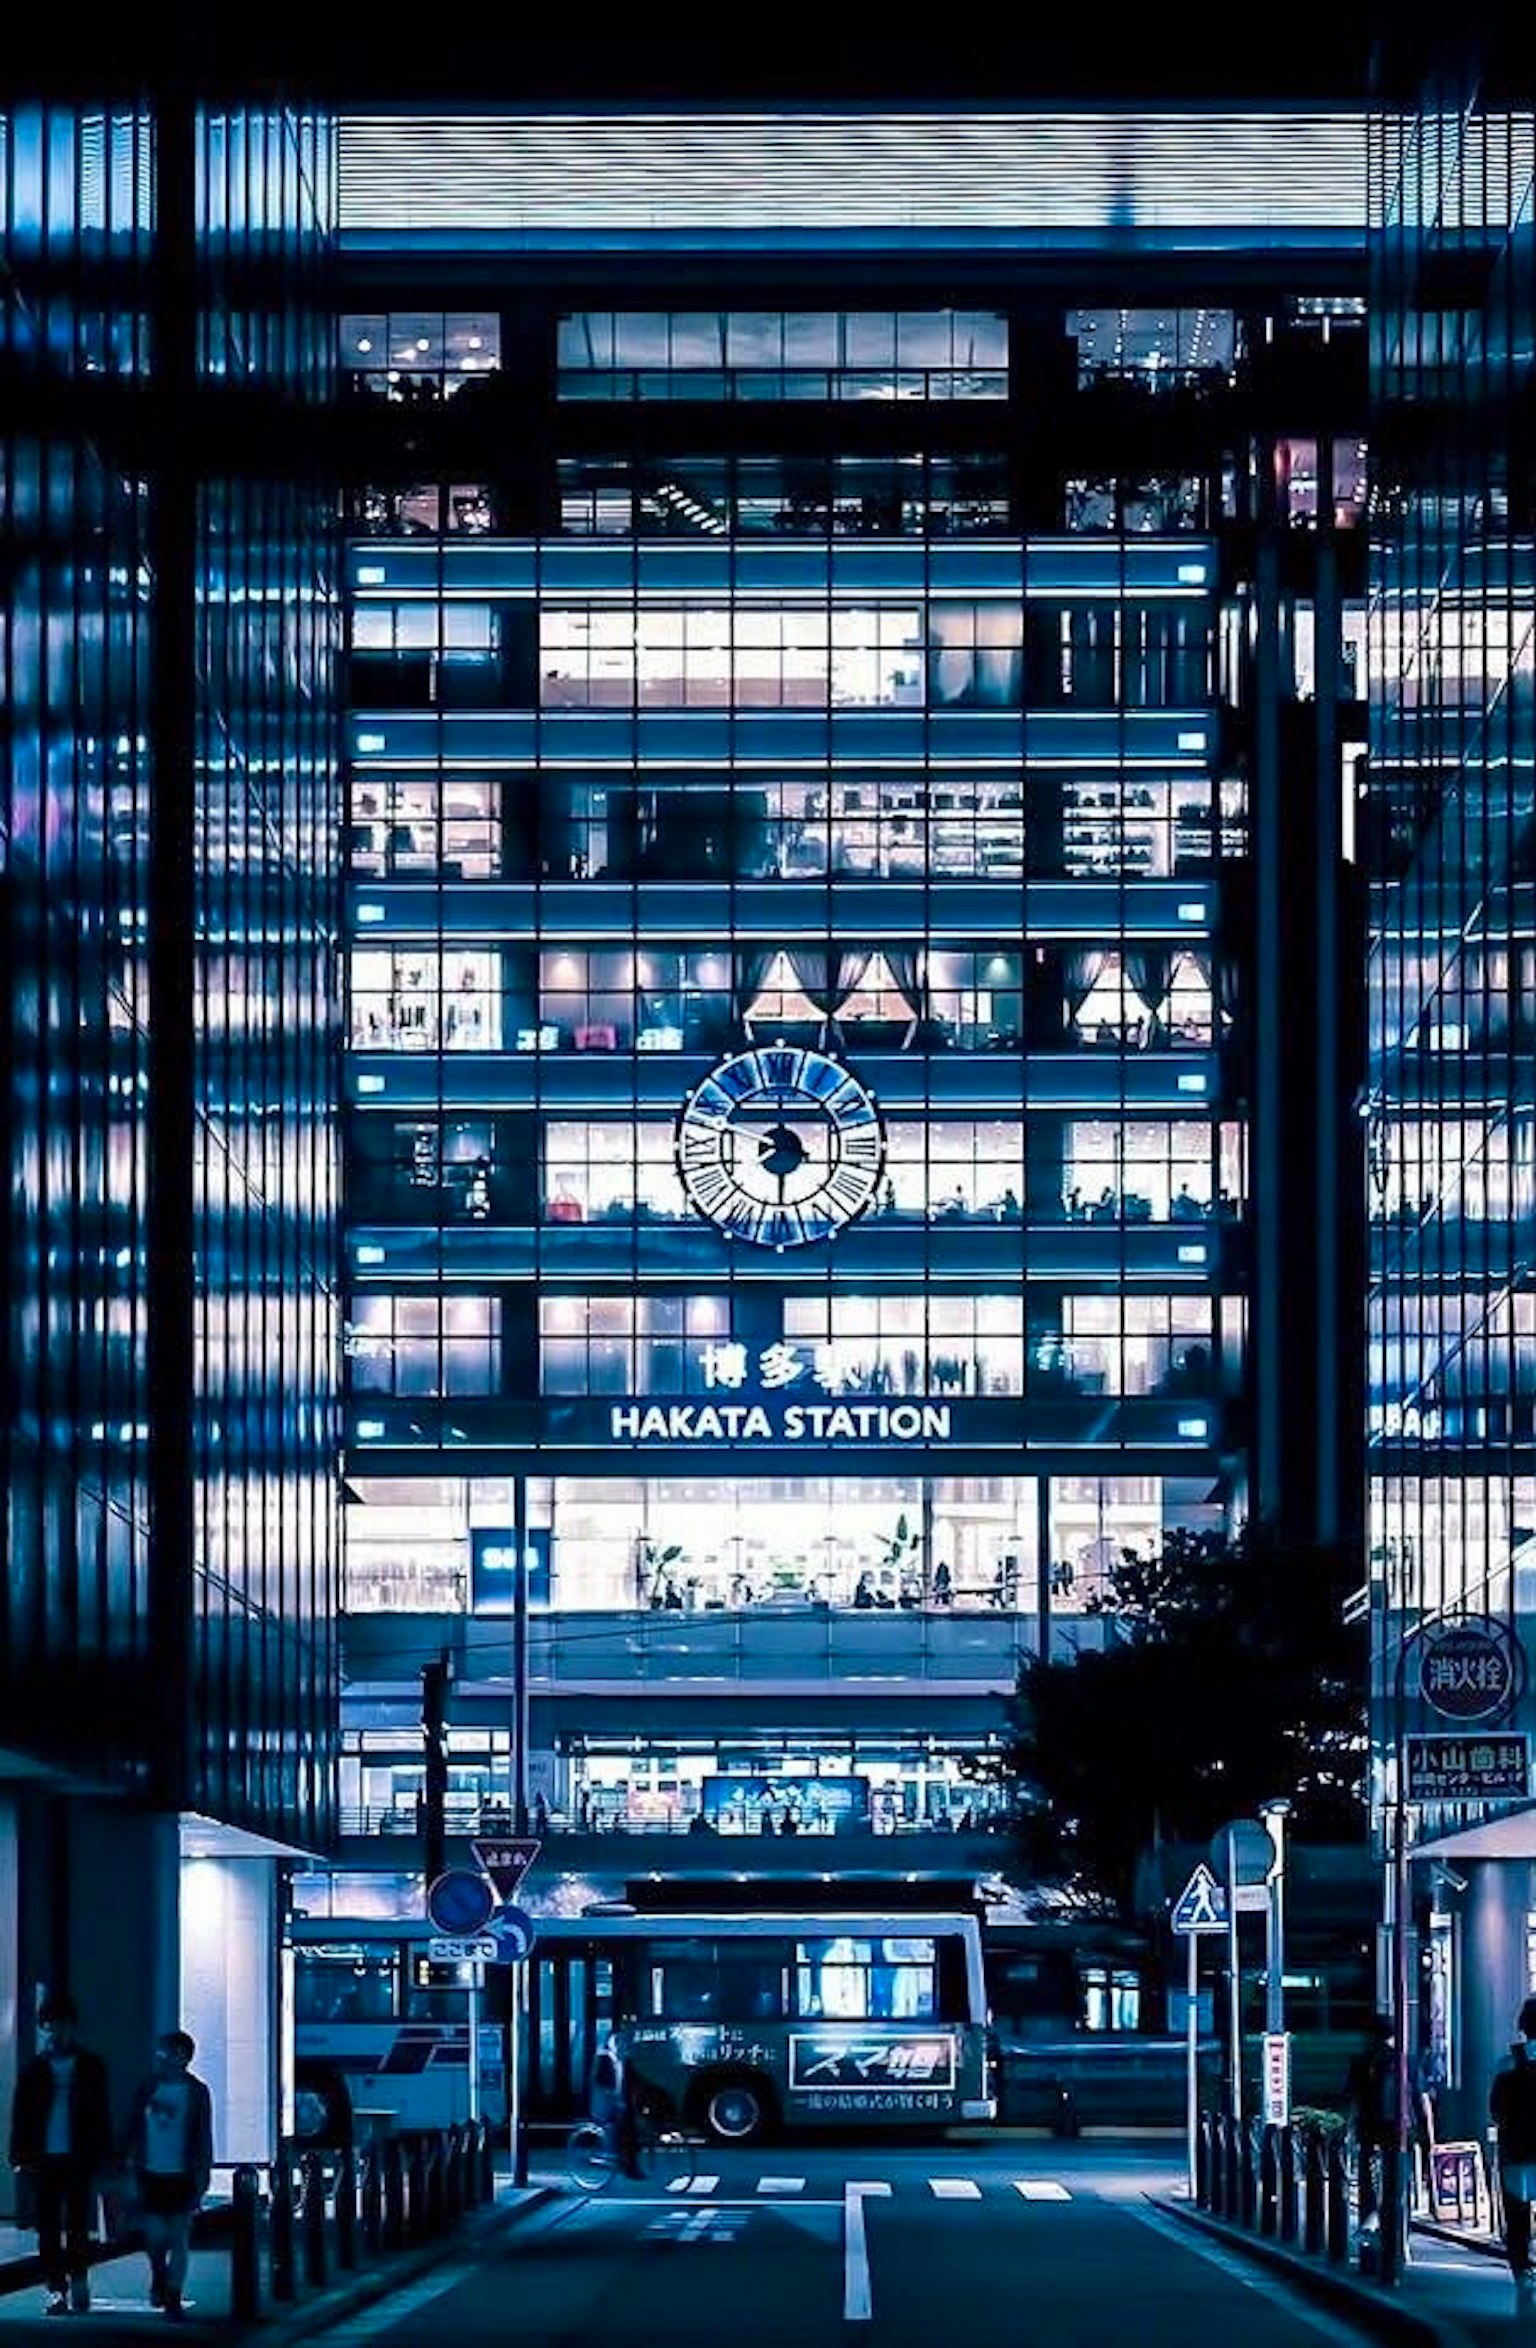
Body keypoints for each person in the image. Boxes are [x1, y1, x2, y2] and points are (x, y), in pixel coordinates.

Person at [8, 1992, 113, 2317]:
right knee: (49, 2228)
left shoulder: (91, 2066)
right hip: (44, 2158)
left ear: (72, 2026)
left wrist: (103, 2154)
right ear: (43, 2027)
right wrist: (18, 2156)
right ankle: (57, 2289)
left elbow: (100, 2114)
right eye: (50, 2025)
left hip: (79, 2156)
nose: (56, 2031)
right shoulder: (34, 2070)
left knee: (79, 2226)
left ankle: (79, 2280)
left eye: (62, 2025)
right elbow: (20, 2115)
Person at [119, 2031, 214, 2323]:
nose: (165, 2059)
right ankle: (159, 2274)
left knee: (179, 2234)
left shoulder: (196, 2092)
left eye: (172, 2053)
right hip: (150, 2170)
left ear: (185, 2057)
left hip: (182, 2172)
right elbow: (132, 2124)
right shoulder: (149, 2087)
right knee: (155, 2234)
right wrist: (125, 2160)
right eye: (162, 2053)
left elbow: (202, 2136)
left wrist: (203, 2174)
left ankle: (173, 2294)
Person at [1491, 1996, 1536, 2304]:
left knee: (1517, 2214)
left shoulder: (1507, 2063)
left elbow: (1495, 2110)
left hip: (1516, 2151)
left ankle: (1523, 2272)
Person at [1344, 2013, 1400, 2239]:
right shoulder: (1403, 2059)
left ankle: (1370, 2220)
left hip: (1368, 2125)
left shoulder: (1360, 2061)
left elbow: (1352, 2098)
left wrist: (1348, 2128)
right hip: (1397, 2129)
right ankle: (1394, 2226)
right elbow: (1421, 2097)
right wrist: (1431, 2133)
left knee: (1367, 2175)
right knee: (1395, 2178)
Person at [589, 2034, 641, 2180]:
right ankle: (623, 2162)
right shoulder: (602, 2060)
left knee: (632, 2128)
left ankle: (630, 2165)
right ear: (612, 2046)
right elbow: (599, 2082)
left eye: (623, 2046)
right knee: (622, 2128)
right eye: (618, 2045)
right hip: (604, 2105)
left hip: (620, 2106)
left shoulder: (626, 2062)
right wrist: (613, 2097)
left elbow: (637, 2081)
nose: (621, 2049)